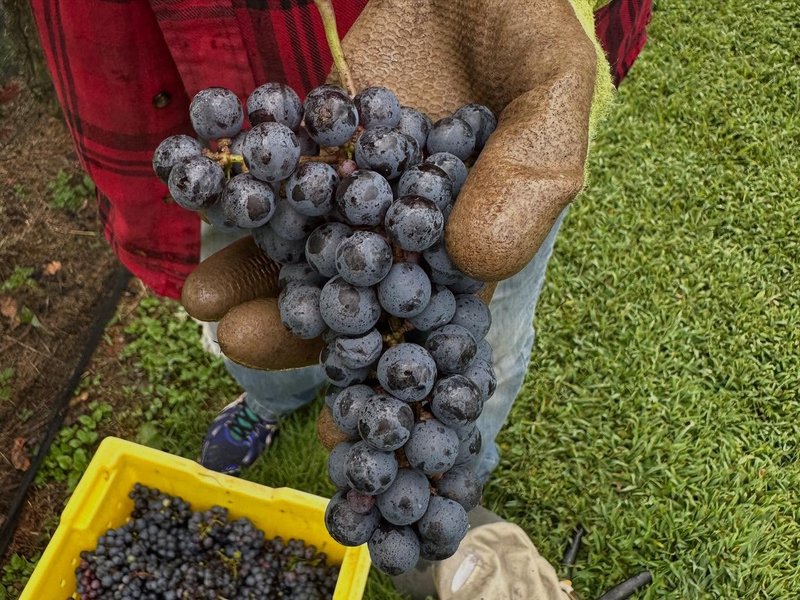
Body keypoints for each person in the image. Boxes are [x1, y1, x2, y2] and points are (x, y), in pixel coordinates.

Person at [30, 1, 652, 597]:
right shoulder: (243, 162)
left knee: (487, 315)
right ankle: (266, 406)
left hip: (423, 100)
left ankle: (468, 457)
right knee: (260, 316)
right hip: (190, 94)